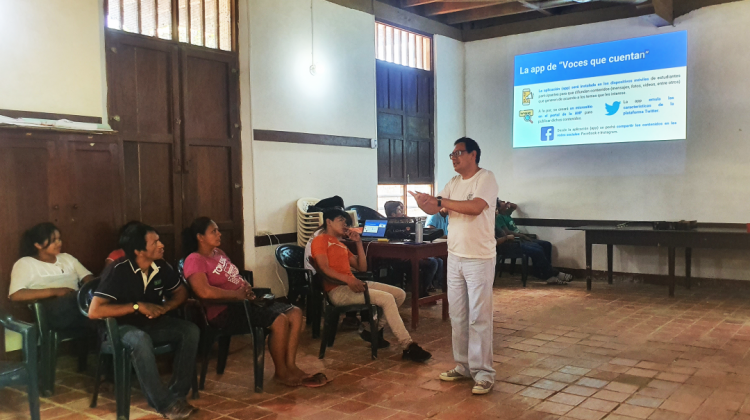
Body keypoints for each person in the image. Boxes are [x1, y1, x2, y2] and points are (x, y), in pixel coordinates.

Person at [182, 217, 327, 388]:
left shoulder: (219, 253)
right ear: (200, 237)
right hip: (224, 311)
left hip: (244, 302)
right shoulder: (195, 259)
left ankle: (291, 366)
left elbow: (234, 276)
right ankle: (281, 373)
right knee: (279, 320)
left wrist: (246, 287)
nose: (219, 234)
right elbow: (203, 291)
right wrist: (235, 295)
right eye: (213, 231)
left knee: (295, 313)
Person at [411, 137, 498, 395]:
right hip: (456, 256)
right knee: (458, 315)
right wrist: (423, 202)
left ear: (473, 154)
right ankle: (463, 366)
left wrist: (441, 202)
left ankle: (483, 373)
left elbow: (474, 207)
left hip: (479, 258)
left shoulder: (486, 178)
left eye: (458, 153)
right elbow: (437, 207)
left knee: (478, 317)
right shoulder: (453, 183)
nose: (454, 158)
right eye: (452, 155)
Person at [88, 223, 199, 419]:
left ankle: (177, 395)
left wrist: (167, 307)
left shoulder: (161, 266)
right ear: (138, 251)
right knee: (140, 339)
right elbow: (95, 311)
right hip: (118, 329)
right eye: (155, 242)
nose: (161, 245)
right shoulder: (118, 270)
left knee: (190, 331)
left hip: (150, 326)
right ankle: (164, 404)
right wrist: (137, 306)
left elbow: (181, 292)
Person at [310, 208, 432, 362]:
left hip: (353, 285)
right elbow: (323, 268)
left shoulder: (340, 244)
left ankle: (371, 331)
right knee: (387, 299)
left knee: (399, 294)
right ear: (328, 221)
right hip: (338, 290)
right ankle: (408, 345)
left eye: (346, 221)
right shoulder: (320, 240)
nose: (345, 224)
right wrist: (348, 280)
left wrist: (359, 243)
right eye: (341, 220)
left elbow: (362, 267)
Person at [9, 223, 96, 331]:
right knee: (79, 301)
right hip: (50, 312)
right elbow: (16, 295)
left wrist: (95, 289)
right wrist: (55, 291)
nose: (58, 243)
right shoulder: (25, 263)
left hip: (77, 306)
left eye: (59, 239)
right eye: (53, 240)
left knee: (99, 302)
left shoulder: (67, 258)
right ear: (38, 245)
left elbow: (88, 278)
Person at [496, 200, 572, 285]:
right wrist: (522, 236)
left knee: (546, 245)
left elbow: (514, 206)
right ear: (498, 207)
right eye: (501, 202)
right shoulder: (499, 217)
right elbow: (507, 233)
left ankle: (542, 273)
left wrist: (508, 204)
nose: (504, 201)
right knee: (537, 249)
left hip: (520, 239)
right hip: (513, 243)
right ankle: (551, 274)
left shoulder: (506, 214)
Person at [383, 201, 444, 297]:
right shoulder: (388, 226)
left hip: (409, 253)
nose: (402, 212)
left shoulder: (406, 223)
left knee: (439, 260)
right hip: (398, 258)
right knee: (433, 262)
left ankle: (431, 287)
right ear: (393, 214)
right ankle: (422, 292)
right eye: (399, 210)